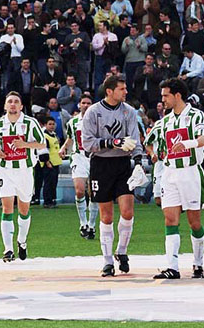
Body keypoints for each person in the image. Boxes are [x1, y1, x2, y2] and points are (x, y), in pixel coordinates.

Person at [81, 75, 146, 277]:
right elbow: (87, 143)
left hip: (122, 164)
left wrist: (138, 162)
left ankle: (122, 251)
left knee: (127, 211)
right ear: (109, 91)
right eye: (121, 89)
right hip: (101, 164)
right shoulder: (93, 112)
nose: (125, 92)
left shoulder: (129, 111)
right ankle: (107, 261)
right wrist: (112, 143)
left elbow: (134, 139)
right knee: (106, 215)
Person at [152, 78, 204, 279]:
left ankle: (198, 263)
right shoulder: (164, 121)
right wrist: (152, 153)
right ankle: (172, 267)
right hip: (170, 173)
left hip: (190, 172)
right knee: (170, 219)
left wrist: (187, 143)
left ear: (177, 95)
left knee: (194, 222)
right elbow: (151, 142)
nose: (163, 100)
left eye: (166, 95)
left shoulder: (195, 116)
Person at [0, 91, 47, 262]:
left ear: (21, 106)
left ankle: (22, 241)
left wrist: (25, 145)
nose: (13, 104)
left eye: (16, 101)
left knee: (24, 209)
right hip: (5, 170)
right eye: (10, 101)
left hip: (25, 170)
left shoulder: (30, 123)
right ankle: (8, 249)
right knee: (6, 208)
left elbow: (42, 143)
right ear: (5, 105)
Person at [60, 94, 99, 239]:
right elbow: (70, 138)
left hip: (95, 158)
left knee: (94, 193)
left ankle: (92, 225)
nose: (86, 105)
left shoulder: (98, 121)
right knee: (79, 190)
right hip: (78, 157)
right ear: (79, 105)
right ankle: (83, 223)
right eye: (84, 103)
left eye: (89, 103)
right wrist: (63, 148)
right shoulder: (73, 122)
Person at [40, 116, 62, 208]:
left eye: (53, 124)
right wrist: (47, 162)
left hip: (56, 162)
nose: (52, 126)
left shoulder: (54, 135)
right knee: (48, 183)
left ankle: (53, 199)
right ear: (45, 125)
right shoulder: (45, 136)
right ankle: (47, 201)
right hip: (49, 163)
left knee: (54, 182)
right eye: (50, 124)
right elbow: (44, 149)